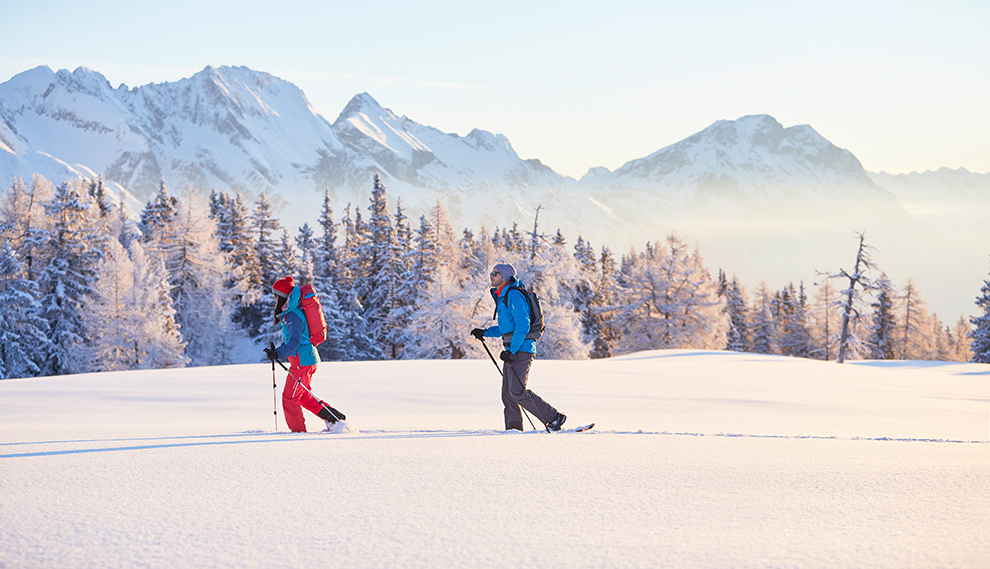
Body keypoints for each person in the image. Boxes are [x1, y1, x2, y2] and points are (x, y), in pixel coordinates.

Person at [471, 263, 566, 432]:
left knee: (516, 391)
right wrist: (484, 332)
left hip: (521, 350)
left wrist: (511, 350)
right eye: (491, 273)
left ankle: (554, 418)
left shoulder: (513, 294)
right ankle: (513, 430)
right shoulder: (502, 296)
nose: (491, 276)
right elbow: (506, 328)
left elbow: (523, 325)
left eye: (496, 273)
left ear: (505, 276)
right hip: (513, 350)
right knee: (508, 394)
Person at [263, 276, 346, 433]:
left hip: (303, 362)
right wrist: (276, 352)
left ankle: (298, 435)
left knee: (289, 398)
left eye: (276, 295)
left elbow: (295, 342)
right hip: (304, 359)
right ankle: (336, 420)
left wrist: (278, 354)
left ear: (282, 296)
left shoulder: (292, 315)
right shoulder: (292, 312)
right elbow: (295, 340)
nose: (274, 298)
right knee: (303, 396)